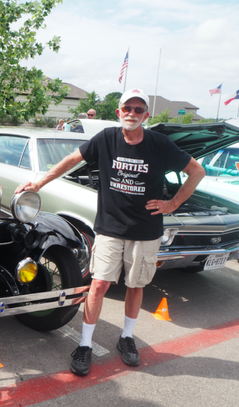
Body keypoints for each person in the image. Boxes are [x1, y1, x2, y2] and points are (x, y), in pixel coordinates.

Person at [15, 88, 205, 376]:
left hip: (146, 231)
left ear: (146, 115)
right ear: (118, 112)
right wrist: (38, 184)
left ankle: (127, 339)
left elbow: (197, 172)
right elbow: (72, 160)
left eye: (139, 109)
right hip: (110, 228)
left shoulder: (160, 144)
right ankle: (85, 344)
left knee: (135, 286)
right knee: (99, 285)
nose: (132, 113)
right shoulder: (106, 139)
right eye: (127, 108)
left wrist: (173, 203)